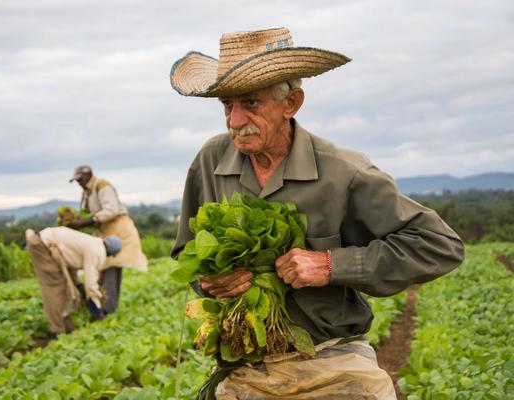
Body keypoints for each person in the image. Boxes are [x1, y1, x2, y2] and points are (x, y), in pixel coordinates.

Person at [170, 27, 465, 399]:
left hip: (332, 363)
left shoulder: (345, 172)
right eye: (227, 105)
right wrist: (212, 280)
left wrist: (330, 266)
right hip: (243, 368)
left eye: (251, 103)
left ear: (291, 103)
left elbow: (440, 245)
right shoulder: (210, 160)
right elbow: (187, 253)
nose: (234, 120)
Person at [67, 165, 148, 314]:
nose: (79, 183)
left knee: (110, 265)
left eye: (80, 180)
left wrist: (86, 222)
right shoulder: (86, 193)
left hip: (119, 230)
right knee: (104, 266)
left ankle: (108, 308)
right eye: (77, 181)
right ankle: (106, 305)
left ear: (88, 177)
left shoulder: (102, 185)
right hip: (106, 232)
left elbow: (111, 210)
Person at [25, 227, 123, 335]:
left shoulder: (94, 242)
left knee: (68, 286)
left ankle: (67, 324)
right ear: (110, 253)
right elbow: (90, 285)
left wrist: (79, 288)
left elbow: (72, 267)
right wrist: (97, 310)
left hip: (48, 241)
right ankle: (57, 330)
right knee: (55, 286)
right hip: (43, 245)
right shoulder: (98, 252)